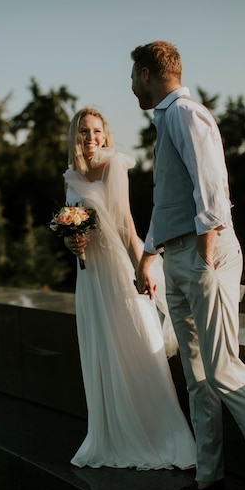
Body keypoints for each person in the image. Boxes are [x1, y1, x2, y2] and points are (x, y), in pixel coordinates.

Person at [131, 40, 245, 490]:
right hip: (178, 259)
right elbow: (170, 200)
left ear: (148, 74)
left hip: (204, 259)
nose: (131, 85)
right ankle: (208, 480)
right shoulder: (167, 118)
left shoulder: (184, 113)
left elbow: (212, 189)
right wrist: (149, 257)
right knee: (196, 377)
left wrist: (204, 254)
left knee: (223, 370)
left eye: (134, 75)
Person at [63, 106, 196, 471]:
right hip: (90, 278)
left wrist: (143, 269)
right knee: (102, 350)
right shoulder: (71, 175)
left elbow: (125, 225)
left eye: (96, 131)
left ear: (105, 134)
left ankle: (158, 433)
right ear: (74, 137)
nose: (91, 138)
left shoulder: (115, 165)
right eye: (83, 132)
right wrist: (71, 244)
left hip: (119, 268)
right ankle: (111, 433)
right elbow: (74, 225)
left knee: (137, 344)